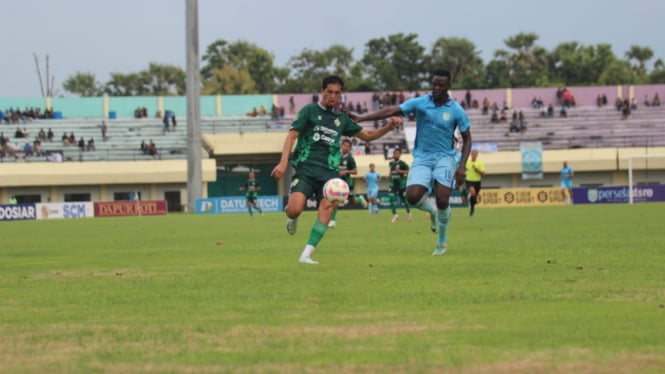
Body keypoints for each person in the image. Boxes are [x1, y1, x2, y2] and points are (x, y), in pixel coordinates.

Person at [271, 75, 402, 265]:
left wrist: (389, 126)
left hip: (330, 174)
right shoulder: (309, 111)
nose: (333, 96)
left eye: (337, 93)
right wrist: (283, 163)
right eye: (330, 92)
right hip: (306, 169)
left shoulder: (342, 119)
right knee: (294, 210)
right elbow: (291, 136)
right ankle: (291, 217)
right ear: (322, 92)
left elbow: (367, 136)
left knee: (327, 207)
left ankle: (306, 254)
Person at [349, 69, 472, 256]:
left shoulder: (456, 110)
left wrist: (462, 165)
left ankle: (441, 243)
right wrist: (362, 118)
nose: (437, 87)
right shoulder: (421, 102)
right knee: (412, 196)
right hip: (422, 157)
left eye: (441, 85)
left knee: (443, 198)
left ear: (449, 86)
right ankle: (431, 212)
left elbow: (467, 138)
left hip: (445, 157)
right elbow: (392, 110)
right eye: (434, 84)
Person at [329, 138, 367, 228]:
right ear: (341, 146)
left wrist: (346, 172)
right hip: (337, 183)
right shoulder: (336, 155)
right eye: (344, 145)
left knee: (352, 201)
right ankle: (332, 221)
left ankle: (360, 198)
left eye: (348, 146)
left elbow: (355, 171)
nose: (345, 147)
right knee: (335, 201)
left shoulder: (350, 159)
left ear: (350, 148)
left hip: (347, 183)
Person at [387, 148, 412, 223]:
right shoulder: (391, 163)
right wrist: (389, 176)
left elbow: (409, 171)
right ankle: (395, 215)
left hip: (401, 184)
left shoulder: (402, 163)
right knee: (391, 198)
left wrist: (400, 171)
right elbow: (391, 171)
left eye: (397, 153)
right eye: (394, 153)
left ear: (400, 154)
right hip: (393, 183)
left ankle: (408, 213)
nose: (395, 155)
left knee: (404, 200)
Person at [465, 149, 485, 216]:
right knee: (472, 192)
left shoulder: (480, 163)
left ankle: (472, 209)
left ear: (477, 155)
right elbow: (464, 169)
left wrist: (477, 169)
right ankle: (473, 201)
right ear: (471, 155)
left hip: (477, 181)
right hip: (469, 180)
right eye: (472, 154)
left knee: (474, 196)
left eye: (475, 154)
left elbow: (483, 174)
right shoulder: (467, 162)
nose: (474, 155)